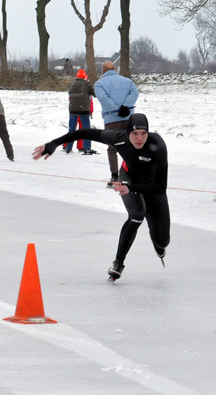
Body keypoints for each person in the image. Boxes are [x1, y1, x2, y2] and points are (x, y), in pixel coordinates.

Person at [32, 113, 169, 281]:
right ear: (127, 134)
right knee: (137, 215)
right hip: (129, 176)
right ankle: (119, 262)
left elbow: (160, 187)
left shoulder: (158, 145)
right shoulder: (118, 138)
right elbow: (84, 133)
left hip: (152, 184)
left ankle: (158, 238)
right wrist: (54, 143)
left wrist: (133, 188)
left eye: (143, 133)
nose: (139, 138)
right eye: (134, 134)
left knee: (163, 241)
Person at [93, 61, 139, 186]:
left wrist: (115, 110)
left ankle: (115, 176)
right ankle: (132, 174)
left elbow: (103, 98)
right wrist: (125, 106)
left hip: (111, 119)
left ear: (103, 71)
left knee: (112, 148)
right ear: (115, 69)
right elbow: (135, 93)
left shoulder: (99, 84)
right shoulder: (127, 81)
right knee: (130, 146)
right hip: (128, 117)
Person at [65, 69, 96, 155]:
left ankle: (68, 147)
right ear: (84, 76)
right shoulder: (86, 84)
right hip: (83, 110)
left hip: (72, 109)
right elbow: (94, 93)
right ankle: (86, 148)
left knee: (72, 129)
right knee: (86, 130)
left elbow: (69, 93)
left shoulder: (72, 84)